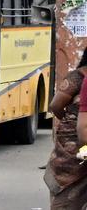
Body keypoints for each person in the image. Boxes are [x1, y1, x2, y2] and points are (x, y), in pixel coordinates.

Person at [46, 49, 87, 208]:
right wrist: (68, 120)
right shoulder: (78, 77)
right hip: (73, 141)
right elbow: (55, 105)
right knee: (67, 194)